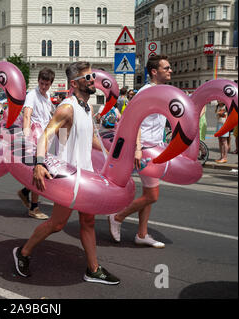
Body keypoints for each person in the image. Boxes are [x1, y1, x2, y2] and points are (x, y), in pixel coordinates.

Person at [13, 61, 120, 285]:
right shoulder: (67, 107)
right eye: (88, 78)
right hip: (69, 178)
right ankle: (23, 252)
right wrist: (39, 164)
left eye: (93, 77)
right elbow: (46, 134)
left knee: (88, 222)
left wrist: (112, 155)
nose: (93, 81)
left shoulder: (87, 107)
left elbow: (90, 138)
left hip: (86, 174)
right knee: (57, 223)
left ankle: (93, 269)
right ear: (74, 83)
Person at [108, 55, 172, 249]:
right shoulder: (145, 93)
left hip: (156, 147)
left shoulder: (162, 91)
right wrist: (137, 149)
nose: (170, 71)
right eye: (166, 68)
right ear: (154, 71)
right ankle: (118, 216)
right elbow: (132, 120)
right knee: (152, 195)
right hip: (144, 148)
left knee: (148, 193)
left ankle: (142, 234)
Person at [17, 68, 56, 220]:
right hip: (35, 137)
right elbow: (27, 115)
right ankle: (34, 207)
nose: (43, 87)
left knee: (42, 169)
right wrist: (27, 137)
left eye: (46, 84)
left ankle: (26, 192)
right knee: (40, 169)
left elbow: (50, 114)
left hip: (46, 136)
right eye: (41, 83)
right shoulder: (32, 95)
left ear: (51, 84)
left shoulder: (47, 96)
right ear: (38, 80)